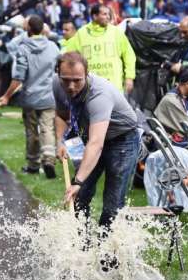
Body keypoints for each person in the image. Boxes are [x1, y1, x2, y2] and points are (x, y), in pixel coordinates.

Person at [54, 51, 139, 232]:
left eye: (77, 80)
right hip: (87, 136)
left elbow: (96, 144)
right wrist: (60, 141)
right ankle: (82, 248)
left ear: (86, 74)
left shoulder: (99, 94)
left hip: (121, 140)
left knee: (112, 203)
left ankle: (106, 252)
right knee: (80, 196)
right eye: (66, 79)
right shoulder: (57, 85)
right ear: (58, 74)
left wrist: (78, 180)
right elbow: (61, 116)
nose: (71, 86)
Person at [0, 15, 60, 179]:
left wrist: (6, 96)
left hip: (30, 98)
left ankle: (33, 165)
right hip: (49, 96)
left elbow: (18, 78)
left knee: (32, 132)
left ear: (28, 30)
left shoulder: (23, 49)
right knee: (48, 129)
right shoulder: (53, 47)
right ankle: (49, 159)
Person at [64, 4, 136, 93]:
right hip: (91, 89)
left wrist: (129, 77)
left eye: (108, 14)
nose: (108, 17)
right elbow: (69, 57)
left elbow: (129, 55)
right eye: (104, 14)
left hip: (115, 88)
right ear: (95, 16)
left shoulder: (116, 32)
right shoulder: (81, 34)